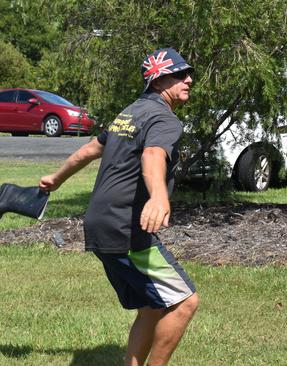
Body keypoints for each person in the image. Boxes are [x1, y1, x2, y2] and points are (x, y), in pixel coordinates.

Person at [39, 48, 198, 366]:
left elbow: (89, 150)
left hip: (100, 223)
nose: (189, 79)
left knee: (152, 306)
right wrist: (158, 196)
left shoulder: (130, 112)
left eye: (188, 73)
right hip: (125, 226)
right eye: (180, 74)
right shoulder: (163, 119)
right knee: (184, 302)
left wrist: (55, 179)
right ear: (159, 80)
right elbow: (152, 156)